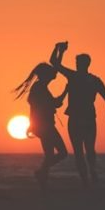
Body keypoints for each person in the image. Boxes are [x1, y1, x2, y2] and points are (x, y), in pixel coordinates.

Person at [50, 41, 105, 187]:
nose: (77, 64)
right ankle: (88, 176)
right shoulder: (92, 79)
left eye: (78, 62)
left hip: (82, 118)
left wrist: (59, 50)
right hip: (83, 118)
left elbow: (54, 63)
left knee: (84, 150)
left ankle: (88, 175)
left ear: (84, 64)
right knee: (85, 150)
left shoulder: (77, 77)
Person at [14, 62, 68, 190]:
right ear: (45, 75)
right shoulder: (40, 88)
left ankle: (43, 182)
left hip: (43, 125)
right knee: (62, 153)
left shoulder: (40, 86)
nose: (54, 74)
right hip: (45, 126)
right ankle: (41, 173)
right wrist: (66, 90)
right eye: (50, 73)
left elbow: (55, 69)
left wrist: (59, 52)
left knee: (49, 155)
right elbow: (55, 103)